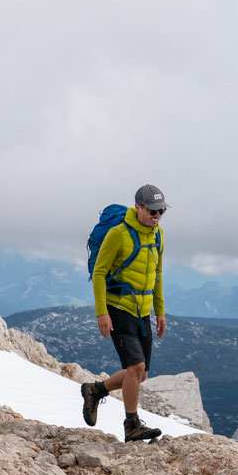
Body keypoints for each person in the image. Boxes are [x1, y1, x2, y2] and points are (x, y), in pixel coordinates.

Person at [81, 184, 168, 442]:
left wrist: (160, 312)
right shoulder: (119, 234)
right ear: (138, 207)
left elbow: (158, 274)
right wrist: (101, 313)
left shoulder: (159, 235)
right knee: (135, 366)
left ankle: (95, 390)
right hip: (118, 307)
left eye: (161, 211)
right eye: (152, 210)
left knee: (140, 375)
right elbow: (99, 272)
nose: (157, 216)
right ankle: (131, 424)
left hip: (142, 311)